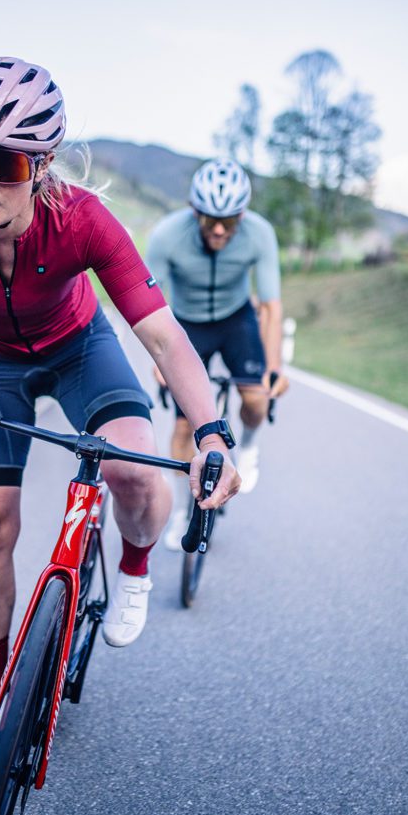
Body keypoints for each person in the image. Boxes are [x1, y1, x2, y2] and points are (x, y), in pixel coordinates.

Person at [0, 57, 240, 758]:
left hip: (80, 350)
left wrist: (213, 430)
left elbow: (163, 339)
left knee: (133, 475)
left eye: (7, 164)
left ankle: (134, 563)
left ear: (42, 165)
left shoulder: (82, 219)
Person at [145, 158, 288, 549]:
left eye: (230, 220)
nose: (220, 229)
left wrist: (274, 367)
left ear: (243, 214)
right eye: (210, 220)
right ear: (195, 211)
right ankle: (180, 514)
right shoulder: (166, 236)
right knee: (181, 426)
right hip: (186, 325)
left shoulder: (260, 234)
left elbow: (272, 307)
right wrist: (159, 362)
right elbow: (147, 303)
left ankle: (251, 446)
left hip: (236, 318)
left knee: (256, 400)